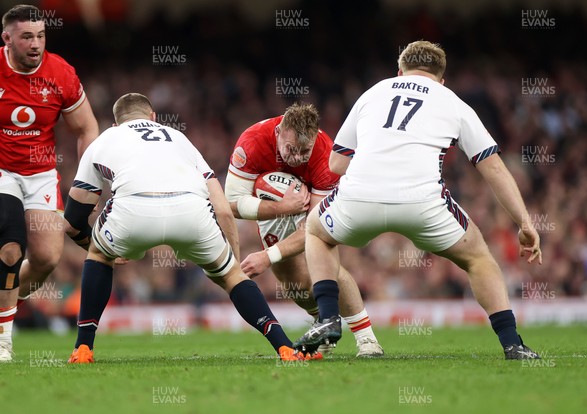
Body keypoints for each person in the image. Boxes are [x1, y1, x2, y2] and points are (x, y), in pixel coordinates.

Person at [293, 41, 543, 360]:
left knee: (316, 232)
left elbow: (336, 165)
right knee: (479, 258)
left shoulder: (372, 93)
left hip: (360, 197)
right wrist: (524, 222)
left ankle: (328, 318)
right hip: (423, 202)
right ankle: (512, 344)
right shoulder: (452, 102)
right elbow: (491, 165)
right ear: (441, 80)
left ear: (399, 71)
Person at [64, 93, 307, 363]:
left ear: (116, 123)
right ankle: (285, 347)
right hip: (191, 209)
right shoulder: (177, 137)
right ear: (153, 117)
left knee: (98, 256)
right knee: (231, 277)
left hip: (135, 209)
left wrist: (95, 245)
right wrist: (233, 265)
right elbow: (223, 208)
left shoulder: (105, 139)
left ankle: (84, 348)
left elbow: (74, 217)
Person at [224, 103, 383, 357]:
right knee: (296, 286)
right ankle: (323, 325)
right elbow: (229, 203)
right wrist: (282, 207)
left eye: (304, 151)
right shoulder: (252, 141)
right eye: (290, 149)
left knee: (328, 266)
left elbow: (316, 225)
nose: (297, 157)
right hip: (272, 209)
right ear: (279, 133)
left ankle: (367, 338)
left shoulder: (325, 154)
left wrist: (267, 256)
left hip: (312, 210)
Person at [0, 4, 99, 361]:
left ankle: (3, 302)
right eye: (27, 36)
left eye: (41, 35)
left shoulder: (60, 73)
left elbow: (87, 128)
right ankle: (3, 341)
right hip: (2, 170)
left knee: (45, 258)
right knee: (10, 247)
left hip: (41, 173)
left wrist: (88, 183)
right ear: (7, 39)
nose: (36, 44)